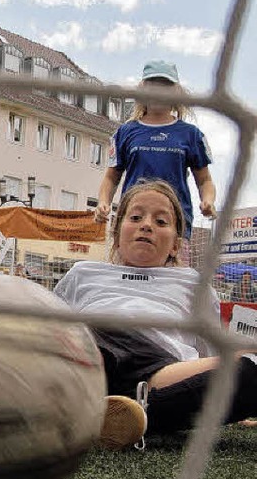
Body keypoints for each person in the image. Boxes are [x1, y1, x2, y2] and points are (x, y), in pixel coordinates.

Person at [55, 179, 256, 448]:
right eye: (136, 217)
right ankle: (123, 414)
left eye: (161, 222)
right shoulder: (82, 273)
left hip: (159, 374)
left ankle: (118, 416)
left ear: (175, 244)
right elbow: (50, 332)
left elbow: (210, 355)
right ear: (117, 233)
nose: (146, 225)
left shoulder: (194, 283)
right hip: (90, 354)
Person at [95, 61, 216, 251]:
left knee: (173, 279)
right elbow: (111, 177)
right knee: (127, 278)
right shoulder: (125, 132)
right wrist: (103, 202)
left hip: (175, 224)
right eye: (153, 85)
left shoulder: (191, 135)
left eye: (165, 86)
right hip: (133, 222)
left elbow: (204, 180)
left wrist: (208, 200)